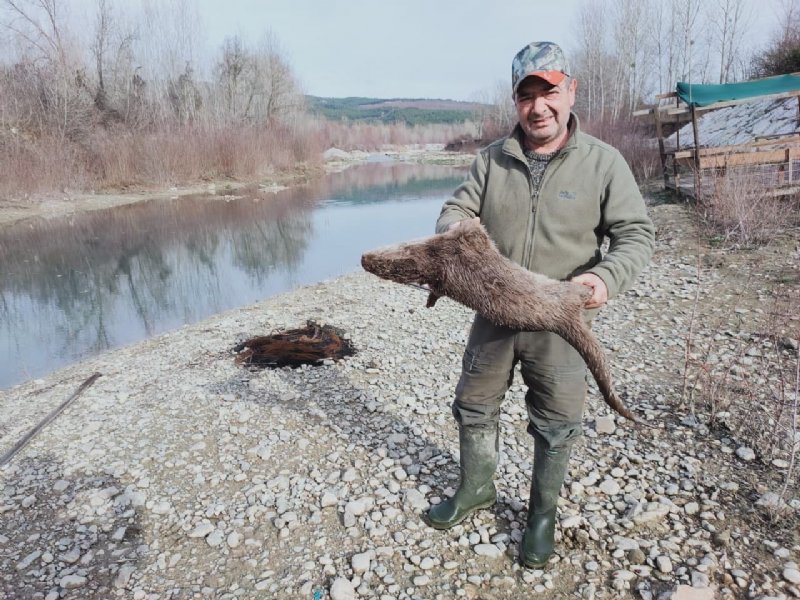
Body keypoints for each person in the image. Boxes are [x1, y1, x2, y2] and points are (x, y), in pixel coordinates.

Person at [425, 41, 655, 568]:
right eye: (526, 95)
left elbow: (636, 235)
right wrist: (455, 233)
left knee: (557, 421)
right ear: (516, 102)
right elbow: (454, 207)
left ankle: (542, 515)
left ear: (570, 92)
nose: (538, 106)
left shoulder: (604, 163)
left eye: (548, 92)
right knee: (474, 405)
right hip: (495, 310)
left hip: (561, 317)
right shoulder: (490, 160)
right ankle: (477, 487)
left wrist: (604, 279)